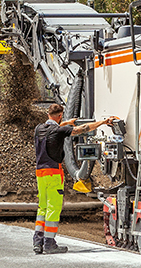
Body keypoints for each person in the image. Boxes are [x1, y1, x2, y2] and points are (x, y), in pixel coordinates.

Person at [33, 103, 116, 254]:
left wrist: (66, 123)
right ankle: (49, 243)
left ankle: (38, 241)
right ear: (60, 116)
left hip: (40, 174)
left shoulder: (39, 128)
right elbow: (82, 129)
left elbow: (55, 127)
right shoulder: (59, 130)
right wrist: (103, 122)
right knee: (54, 207)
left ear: (48, 115)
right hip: (53, 173)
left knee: (43, 207)